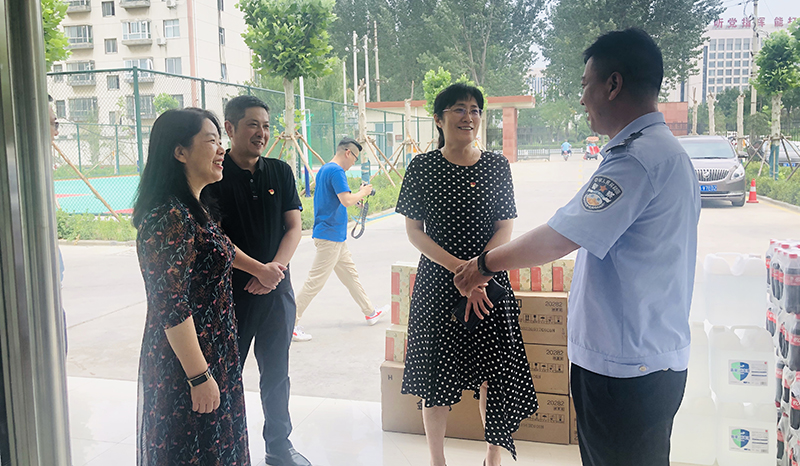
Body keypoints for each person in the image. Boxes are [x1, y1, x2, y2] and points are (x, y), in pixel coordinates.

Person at [454, 28, 701, 466]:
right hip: (643, 358)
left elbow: (559, 237)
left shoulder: (636, 160)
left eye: (586, 85)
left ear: (613, 84)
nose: (583, 98)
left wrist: (484, 264)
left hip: (625, 369)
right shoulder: (664, 153)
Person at [395, 83, 538, 466]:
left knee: (495, 372)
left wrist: (481, 273)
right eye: (459, 109)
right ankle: (437, 460)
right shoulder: (422, 167)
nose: (468, 117)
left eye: (475, 110)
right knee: (436, 376)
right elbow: (415, 232)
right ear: (439, 119)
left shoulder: (496, 165)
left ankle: (493, 456)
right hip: (439, 284)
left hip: (490, 281)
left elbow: (505, 226)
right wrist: (463, 272)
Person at [132, 108, 250, 465]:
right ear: (180, 151)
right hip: (187, 365)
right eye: (211, 141)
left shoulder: (196, 209)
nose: (222, 150)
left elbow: (223, 250)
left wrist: (262, 270)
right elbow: (171, 304)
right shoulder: (168, 216)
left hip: (214, 354)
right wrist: (198, 376)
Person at [201, 96, 310, 466]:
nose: (261, 133)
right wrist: (257, 270)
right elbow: (214, 237)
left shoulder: (280, 171)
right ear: (230, 129)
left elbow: (294, 227)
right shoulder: (215, 177)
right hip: (232, 295)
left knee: (277, 374)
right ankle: (224, 449)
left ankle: (279, 446)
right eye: (253, 125)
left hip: (277, 292)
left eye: (265, 125)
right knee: (226, 374)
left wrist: (274, 270)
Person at [292, 137, 388, 342]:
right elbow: (346, 200)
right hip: (330, 236)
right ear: (347, 152)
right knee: (314, 282)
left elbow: (338, 199)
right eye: (355, 158)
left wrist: (357, 199)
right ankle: (290, 322)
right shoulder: (337, 171)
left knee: (350, 275)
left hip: (333, 235)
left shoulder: (325, 169)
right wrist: (363, 192)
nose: (354, 162)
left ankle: (370, 312)